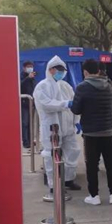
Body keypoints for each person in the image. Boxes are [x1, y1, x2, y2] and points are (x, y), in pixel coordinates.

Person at [33, 55, 82, 201]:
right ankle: (53, 185)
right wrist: (65, 104)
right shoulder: (42, 86)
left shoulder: (66, 86)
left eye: (62, 70)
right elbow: (46, 105)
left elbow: (74, 102)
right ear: (50, 70)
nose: (60, 72)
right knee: (51, 156)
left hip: (68, 126)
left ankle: (68, 179)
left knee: (73, 151)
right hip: (51, 127)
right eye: (57, 69)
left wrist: (77, 120)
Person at [72, 59, 112, 205]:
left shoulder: (82, 87)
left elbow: (76, 109)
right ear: (98, 71)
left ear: (85, 72)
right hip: (108, 131)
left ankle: (94, 196)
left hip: (91, 133)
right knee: (110, 164)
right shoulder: (110, 86)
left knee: (92, 165)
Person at [20, 60, 37, 150]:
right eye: (28, 66)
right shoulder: (22, 76)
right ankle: (25, 142)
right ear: (24, 68)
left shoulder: (32, 77)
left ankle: (30, 140)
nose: (30, 68)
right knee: (25, 123)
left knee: (31, 123)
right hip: (24, 103)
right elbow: (19, 86)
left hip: (32, 103)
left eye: (31, 66)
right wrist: (27, 78)